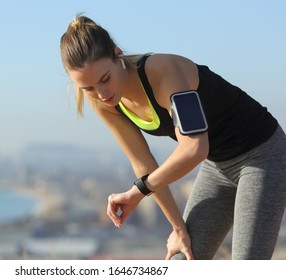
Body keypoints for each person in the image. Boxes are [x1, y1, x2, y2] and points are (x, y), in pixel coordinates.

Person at [59, 14, 286, 260]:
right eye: (88, 88)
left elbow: (194, 148)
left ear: (118, 55)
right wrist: (178, 228)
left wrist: (137, 193)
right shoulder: (105, 105)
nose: (101, 93)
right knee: (182, 259)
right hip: (217, 167)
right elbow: (143, 164)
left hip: (263, 157)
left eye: (105, 79)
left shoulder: (163, 71)